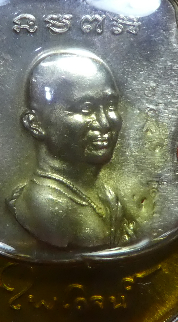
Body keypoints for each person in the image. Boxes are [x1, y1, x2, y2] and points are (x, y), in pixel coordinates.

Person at [7, 49, 136, 249]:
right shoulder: (50, 211)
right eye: (86, 108)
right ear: (35, 124)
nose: (105, 122)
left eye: (111, 105)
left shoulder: (101, 195)